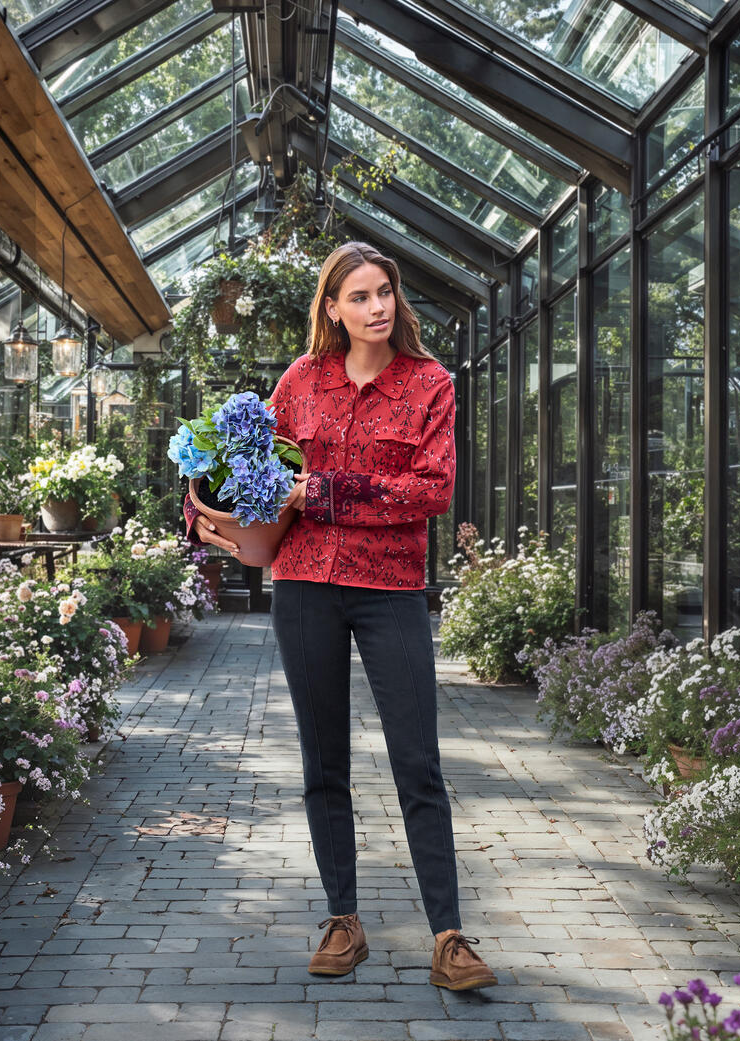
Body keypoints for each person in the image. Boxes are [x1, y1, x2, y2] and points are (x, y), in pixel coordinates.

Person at [183, 241, 497, 990]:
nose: (377, 306)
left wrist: (317, 492)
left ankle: (449, 935)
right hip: (304, 588)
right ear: (331, 307)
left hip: (390, 590)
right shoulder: (300, 381)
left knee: (417, 760)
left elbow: (431, 488)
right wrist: (203, 507)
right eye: (358, 296)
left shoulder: (430, 384)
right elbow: (247, 468)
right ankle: (343, 920)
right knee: (323, 762)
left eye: (384, 291)